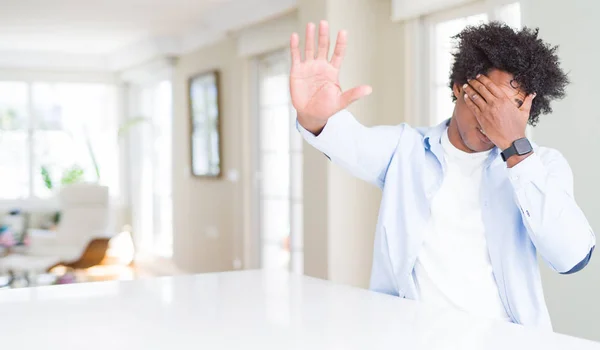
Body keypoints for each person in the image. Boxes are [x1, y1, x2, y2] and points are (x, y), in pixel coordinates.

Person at [289, 20, 596, 329]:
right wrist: (316, 118)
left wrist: (515, 149)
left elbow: (572, 257)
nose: (495, 120)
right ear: (460, 87)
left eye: (511, 110)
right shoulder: (404, 151)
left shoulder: (540, 165)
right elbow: (352, 143)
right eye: (488, 101)